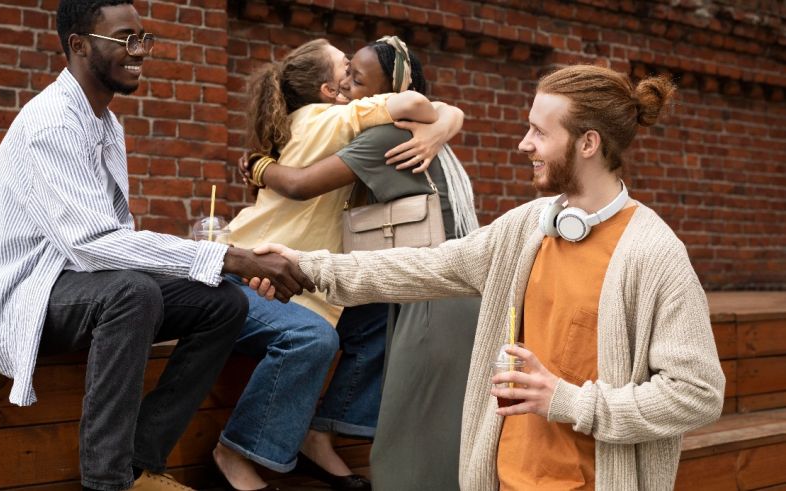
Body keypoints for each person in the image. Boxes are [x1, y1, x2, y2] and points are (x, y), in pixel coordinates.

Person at [253, 64, 726, 490]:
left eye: (539, 132)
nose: (524, 144)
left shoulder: (654, 254)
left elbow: (697, 394)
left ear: (588, 143)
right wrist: (304, 265)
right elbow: (421, 265)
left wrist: (570, 402)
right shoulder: (526, 228)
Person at [0, 1, 312, 490]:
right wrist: (227, 255)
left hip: (72, 279)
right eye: (126, 39)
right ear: (79, 45)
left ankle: (142, 465)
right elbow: (94, 244)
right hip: (18, 290)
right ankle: (106, 482)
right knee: (133, 293)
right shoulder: (53, 123)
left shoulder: (105, 123)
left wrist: (216, 265)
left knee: (222, 303)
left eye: (144, 38)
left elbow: (113, 238)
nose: (140, 50)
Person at [212, 38, 464, 491]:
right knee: (315, 338)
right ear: (329, 89)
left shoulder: (325, 122)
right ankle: (236, 450)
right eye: (346, 70)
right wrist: (442, 120)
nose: (351, 78)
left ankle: (319, 432)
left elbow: (432, 109)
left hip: (295, 276)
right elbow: (303, 184)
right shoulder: (329, 120)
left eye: (357, 75)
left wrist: (445, 121)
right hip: (254, 272)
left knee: (376, 316)